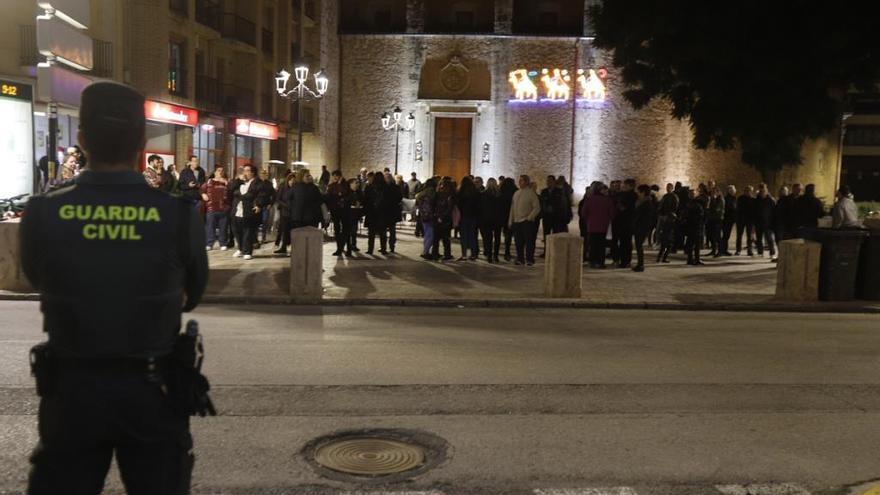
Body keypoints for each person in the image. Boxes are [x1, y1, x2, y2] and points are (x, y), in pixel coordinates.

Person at [20, 81, 209, 494]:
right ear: (142, 142)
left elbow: (36, 278)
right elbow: (193, 294)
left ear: (83, 140)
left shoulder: (42, 212)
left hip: (71, 393)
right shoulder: (178, 216)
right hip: (152, 393)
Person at [508, 175, 541, 266]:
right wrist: (510, 220)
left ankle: (529, 259)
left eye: (522, 180)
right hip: (517, 221)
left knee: (529, 241)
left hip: (526, 222)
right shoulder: (516, 193)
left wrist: (529, 217)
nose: (520, 182)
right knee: (518, 242)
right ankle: (520, 258)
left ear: (526, 182)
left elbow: (537, 208)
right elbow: (513, 208)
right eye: (519, 180)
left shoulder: (531, 193)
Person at [581, 183, 616, 269]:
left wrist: (588, 220)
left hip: (592, 226)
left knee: (592, 245)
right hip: (603, 226)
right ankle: (600, 262)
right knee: (601, 245)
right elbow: (612, 213)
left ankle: (592, 261)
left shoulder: (590, 199)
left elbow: (584, 212)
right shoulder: (607, 200)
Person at [231, 163, 260, 260]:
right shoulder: (239, 182)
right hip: (237, 210)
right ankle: (240, 249)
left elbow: (259, 195)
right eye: (244, 170)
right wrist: (238, 180)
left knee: (248, 231)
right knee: (237, 230)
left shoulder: (256, 182)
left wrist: (258, 204)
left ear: (253, 173)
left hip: (248, 210)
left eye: (247, 170)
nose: (245, 173)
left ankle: (247, 251)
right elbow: (230, 189)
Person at [201, 166, 230, 250]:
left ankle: (223, 243)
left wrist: (227, 183)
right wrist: (203, 194)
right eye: (218, 171)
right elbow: (201, 189)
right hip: (211, 208)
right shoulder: (209, 182)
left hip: (223, 209)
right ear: (214, 172)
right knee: (210, 227)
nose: (220, 172)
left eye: (222, 171)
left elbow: (231, 192)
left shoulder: (226, 182)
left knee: (223, 227)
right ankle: (209, 244)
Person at [364, 172, 391, 255]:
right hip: (382, 213)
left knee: (371, 233)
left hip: (372, 212)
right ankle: (383, 249)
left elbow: (366, 200)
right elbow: (388, 201)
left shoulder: (369, 187)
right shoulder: (386, 187)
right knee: (383, 233)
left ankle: (370, 249)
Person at [632, 184, 656, 272]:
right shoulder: (644, 202)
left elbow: (644, 217)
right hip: (640, 226)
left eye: (639, 192)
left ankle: (640, 264)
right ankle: (640, 264)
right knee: (638, 246)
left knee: (639, 246)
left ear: (643, 192)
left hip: (642, 227)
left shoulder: (646, 203)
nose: (637, 193)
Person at [457, 176, 481, 261]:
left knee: (463, 236)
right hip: (473, 216)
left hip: (463, 216)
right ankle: (473, 254)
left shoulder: (460, 192)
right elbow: (478, 206)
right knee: (472, 236)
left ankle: (464, 255)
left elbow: (458, 205)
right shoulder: (476, 192)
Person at [433, 177, 456, 261]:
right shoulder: (449, 195)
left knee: (439, 238)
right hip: (444, 218)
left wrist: (439, 216)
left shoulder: (440, 193)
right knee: (444, 238)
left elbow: (435, 206)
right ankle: (445, 254)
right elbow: (449, 208)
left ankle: (436, 254)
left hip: (440, 218)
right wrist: (441, 217)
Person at [656, 183, 679, 263]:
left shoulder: (674, 197)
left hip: (669, 217)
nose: (667, 188)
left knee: (668, 240)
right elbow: (661, 205)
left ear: (672, 188)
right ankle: (661, 257)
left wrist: (669, 214)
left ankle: (662, 257)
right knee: (665, 238)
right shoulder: (666, 196)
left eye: (669, 187)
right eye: (667, 187)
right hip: (664, 217)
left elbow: (675, 206)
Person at [754, 183, 778, 262]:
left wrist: (773, 222)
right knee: (759, 238)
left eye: (763, 190)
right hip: (758, 222)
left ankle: (772, 252)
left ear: (766, 190)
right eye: (761, 190)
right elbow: (754, 211)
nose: (762, 191)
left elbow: (774, 212)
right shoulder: (757, 199)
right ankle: (760, 252)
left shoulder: (770, 200)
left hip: (768, 223)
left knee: (769, 239)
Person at [274, 172, 296, 255]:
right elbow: (278, 199)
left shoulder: (295, 189)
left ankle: (293, 247)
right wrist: (285, 205)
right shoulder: (283, 188)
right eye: (291, 180)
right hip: (285, 212)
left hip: (293, 213)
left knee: (293, 231)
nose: (292, 182)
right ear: (288, 180)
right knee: (284, 230)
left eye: (294, 180)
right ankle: (283, 247)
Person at [416, 178, 437, 260]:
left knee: (427, 234)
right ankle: (425, 252)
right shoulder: (432, 193)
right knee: (431, 235)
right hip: (431, 216)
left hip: (423, 216)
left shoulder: (421, 194)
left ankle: (425, 251)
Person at [684, 188, 706, 266]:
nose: (692, 195)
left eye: (693, 194)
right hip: (693, 226)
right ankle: (691, 259)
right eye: (691, 194)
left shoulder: (695, 203)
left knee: (696, 244)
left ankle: (695, 259)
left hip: (696, 226)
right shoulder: (689, 204)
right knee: (692, 243)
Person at [256, 168, 276, 244]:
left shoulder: (269, 184)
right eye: (262, 173)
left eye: (265, 173)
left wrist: (271, 204)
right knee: (256, 222)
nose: (263, 175)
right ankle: (256, 238)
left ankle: (263, 237)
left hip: (266, 205)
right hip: (258, 205)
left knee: (265, 221)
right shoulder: (256, 183)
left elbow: (274, 195)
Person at [499, 177, 517, 261]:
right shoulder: (515, 191)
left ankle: (498, 251)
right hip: (511, 215)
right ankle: (507, 251)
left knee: (500, 234)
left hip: (501, 215)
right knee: (508, 234)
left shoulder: (500, 191)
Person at [735, 185, 756, 256]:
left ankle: (749, 250)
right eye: (746, 190)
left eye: (749, 191)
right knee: (739, 235)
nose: (748, 192)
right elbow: (738, 209)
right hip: (741, 219)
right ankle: (738, 250)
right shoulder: (740, 198)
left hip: (750, 220)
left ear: (751, 191)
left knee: (749, 236)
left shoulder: (753, 200)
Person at [706, 186, 725, 257]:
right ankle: (713, 250)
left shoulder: (720, 199)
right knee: (711, 235)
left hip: (718, 219)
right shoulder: (713, 199)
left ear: (718, 192)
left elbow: (716, 209)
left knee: (717, 236)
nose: (712, 193)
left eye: (714, 192)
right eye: (711, 192)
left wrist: (709, 208)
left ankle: (720, 251)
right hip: (712, 219)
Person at [721, 185, 737, 256]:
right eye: (732, 190)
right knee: (726, 235)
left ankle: (724, 249)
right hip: (727, 219)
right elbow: (729, 209)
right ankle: (723, 250)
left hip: (730, 219)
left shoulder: (733, 198)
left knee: (726, 235)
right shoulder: (727, 199)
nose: (734, 191)